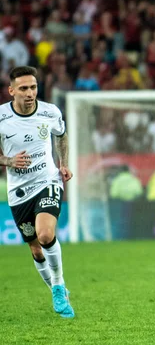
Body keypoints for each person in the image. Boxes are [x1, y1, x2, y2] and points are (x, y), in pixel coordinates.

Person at [0, 66, 75, 318]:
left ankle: (57, 285)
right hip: (18, 192)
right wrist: (8, 161)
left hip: (47, 181)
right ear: (11, 91)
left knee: (45, 235)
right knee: (35, 249)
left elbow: (61, 135)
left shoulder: (50, 111)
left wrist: (63, 163)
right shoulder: (1, 118)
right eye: (23, 88)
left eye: (33, 87)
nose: (30, 93)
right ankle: (57, 289)